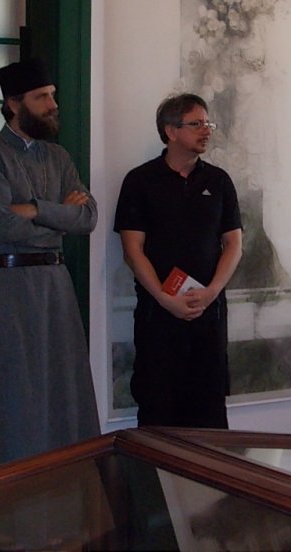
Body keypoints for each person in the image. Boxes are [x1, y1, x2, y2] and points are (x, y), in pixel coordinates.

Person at [0, 58, 100, 476]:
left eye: (52, 96)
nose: (53, 105)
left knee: (60, 382)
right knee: (10, 383)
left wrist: (36, 209)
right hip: (7, 285)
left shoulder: (58, 157)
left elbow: (88, 218)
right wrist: (58, 218)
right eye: (42, 97)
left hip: (56, 285)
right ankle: (2, 478)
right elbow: (0, 224)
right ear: (13, 103)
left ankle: (64, 473)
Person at [114, 93, 243, 428]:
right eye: (196, 124)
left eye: (208, 123)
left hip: (208, 314)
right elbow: (132, 250)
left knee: (210, 409)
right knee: (158, 408)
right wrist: (164, 298)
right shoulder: (140, 181)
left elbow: (234, 244)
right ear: (171, 131)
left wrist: (211, 292)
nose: (206, 130)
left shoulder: (219, 181)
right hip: (158, 314)